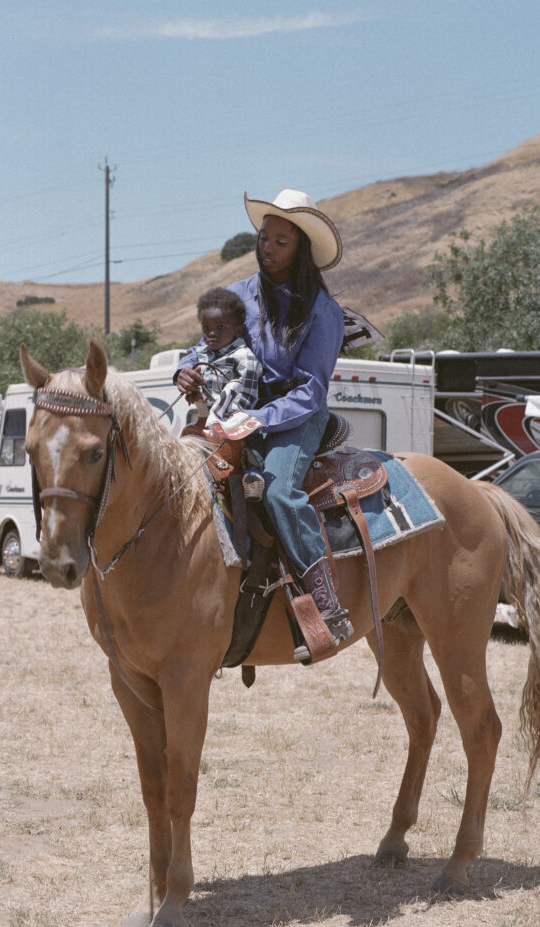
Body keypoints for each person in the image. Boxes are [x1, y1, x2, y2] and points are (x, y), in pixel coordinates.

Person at [175, 189, 352, 644]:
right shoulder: (237, 295)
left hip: (296, 415)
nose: (267, 248)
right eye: (264, 237)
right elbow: (205, 342)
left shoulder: (323, 311)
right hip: (234, 407)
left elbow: (313, 389)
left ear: (301, 251)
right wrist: (187, 367)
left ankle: (325, 600)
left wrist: (257, 420)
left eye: (280, 241)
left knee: (276, 492)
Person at [179, 287, 262, 428]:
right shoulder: (201, 355)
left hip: (235, 426)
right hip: (207, 422)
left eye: (220, 327)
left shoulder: (244, 358)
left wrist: (224, 422)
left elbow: (246, 398)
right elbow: (203, 397)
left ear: (238, 331)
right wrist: (196, 396)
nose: (211, 333)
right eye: (206, 328)